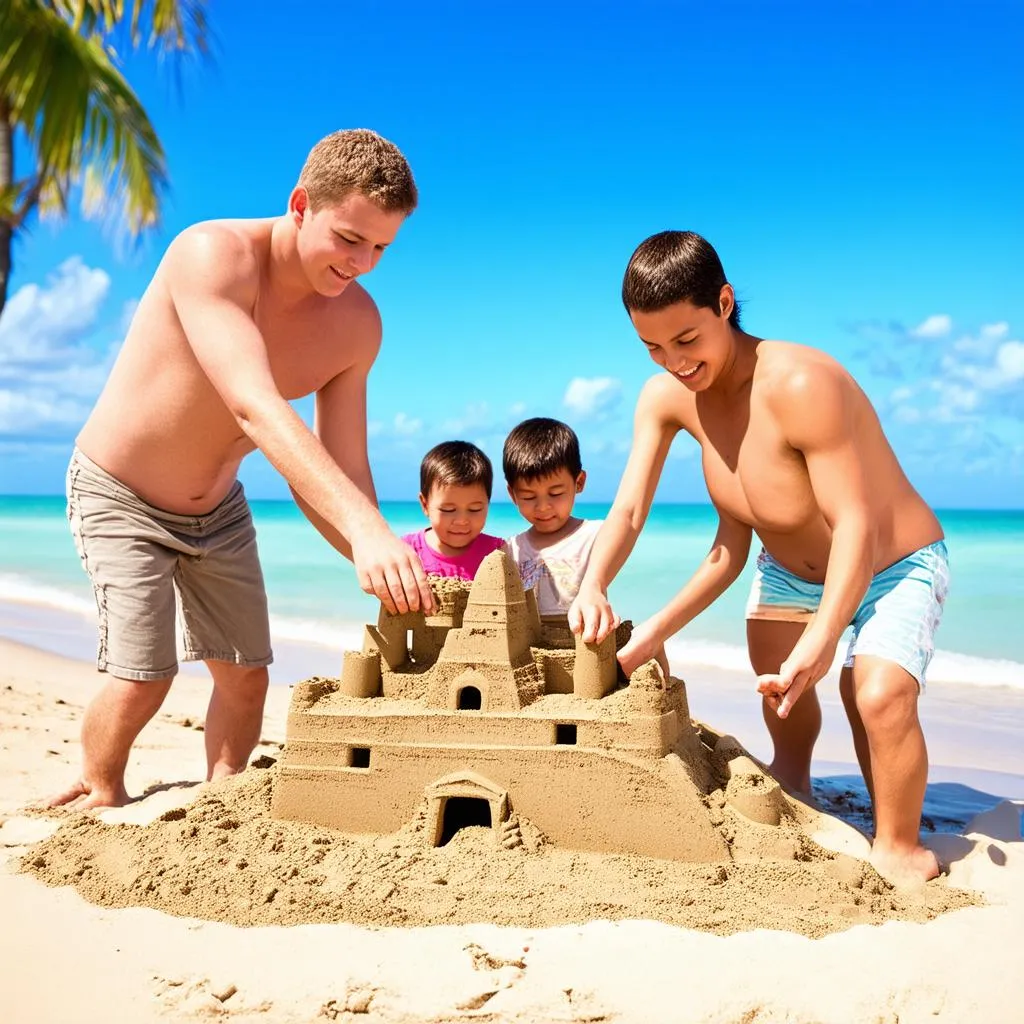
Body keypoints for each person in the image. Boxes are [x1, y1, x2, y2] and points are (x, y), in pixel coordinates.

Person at [52, 129, 435, 811]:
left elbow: (338, 469)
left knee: (246, 676)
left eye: (382, 247)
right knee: (144, 675)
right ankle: (99, 787)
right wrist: (367, 532)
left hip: (218, 508)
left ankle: (221, 799)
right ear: (300, 203)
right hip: (121, 493)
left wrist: (385, 565)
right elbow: (253, 406)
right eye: (350, 239)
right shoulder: (212, 255)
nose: (364, 263)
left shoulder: (357, 325)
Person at [568, 230, 948, 886]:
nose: (673, 363)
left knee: (877, 697)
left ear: (723, 301)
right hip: (786, 569)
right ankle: (798, 785)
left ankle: (899, 845)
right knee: (780, 692)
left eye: (686, 340)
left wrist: (826, 638)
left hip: (893, 564)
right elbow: (682, 532)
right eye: (652, 347)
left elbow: (855, 521)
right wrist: (596, 588)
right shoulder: (667, 399)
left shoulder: (801, 382)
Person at [503, 418, 603, 616]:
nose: (543, 507)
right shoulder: (512, 548)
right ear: (513, 494)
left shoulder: (596, 535)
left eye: (556, 493)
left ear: (579, 482)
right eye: (529, 496)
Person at [402, 441, 504, 580]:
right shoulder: (407, 551)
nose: (462, 521)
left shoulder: (498, 552)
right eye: (448, 510)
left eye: (475, 509)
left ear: (488, 503)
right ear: (425, 505)